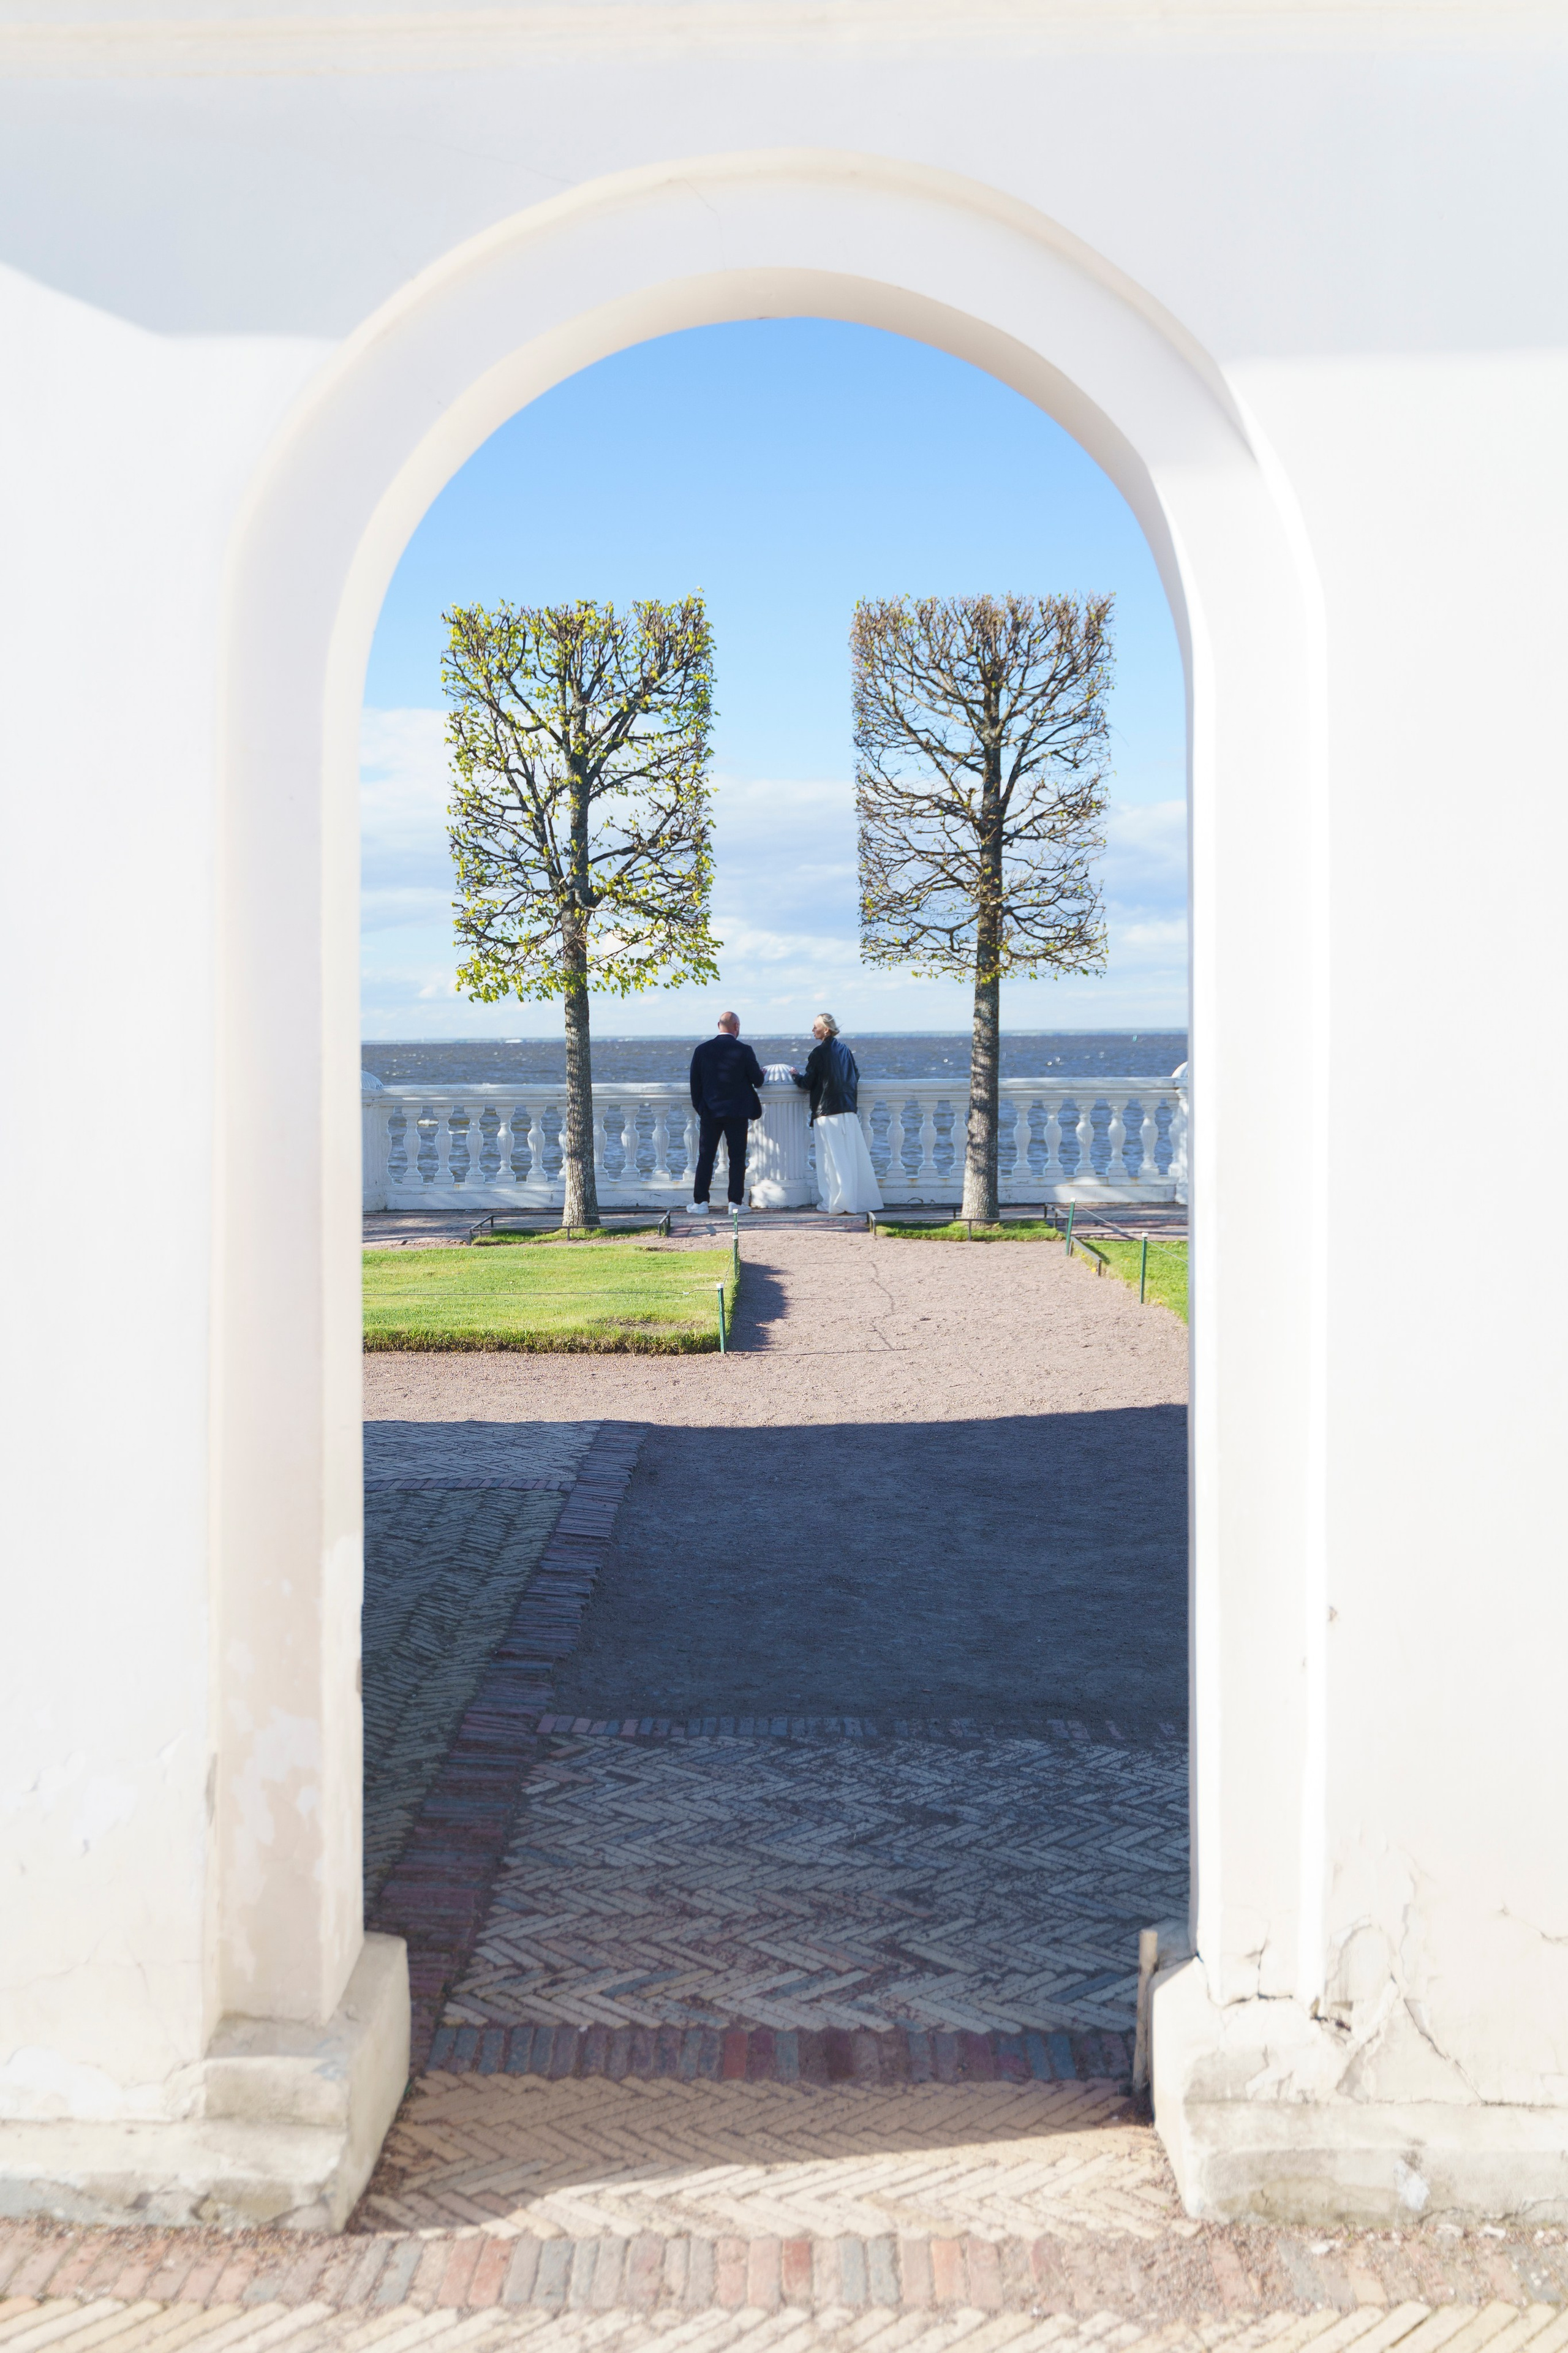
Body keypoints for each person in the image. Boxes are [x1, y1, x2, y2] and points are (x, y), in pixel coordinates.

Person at [791, 1013, 884, 1215]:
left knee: (830, 1160)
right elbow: (856, 1075)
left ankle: (834, 1202)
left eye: (815, 1027)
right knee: (851, 1158)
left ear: (826, 1029)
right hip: (848, 1109)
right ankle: (856, 1201)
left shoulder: (818, 1053)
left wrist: (795, 1076)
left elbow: (807, 1083)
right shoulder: (845, 1050)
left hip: (827, 1113)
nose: (812, 1030)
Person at [687, 1011, 766, 1214]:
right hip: (737, 1113)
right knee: (737, 1158)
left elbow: (695, 1084)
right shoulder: (744, 1050)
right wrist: (761, 1072)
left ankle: (701, 1203)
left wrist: (701, 1108)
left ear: (718, 1025)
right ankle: (735, 1204)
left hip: (710, 1112)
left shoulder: (702, 1050)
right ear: (737, 1027)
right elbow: (758, 1080)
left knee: (706, 1157)